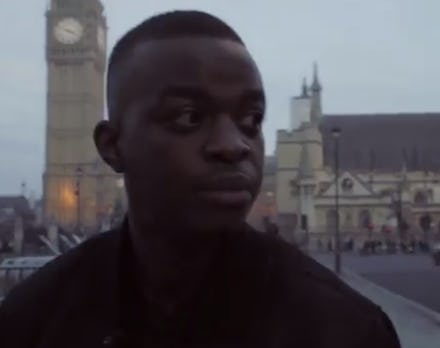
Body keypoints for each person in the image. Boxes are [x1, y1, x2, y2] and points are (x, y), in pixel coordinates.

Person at [0, 11, 401, 348]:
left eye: (250, 121)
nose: (233, 146)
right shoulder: (29, 322)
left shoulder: (346, 330)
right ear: (111, 145)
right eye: (188, 117)